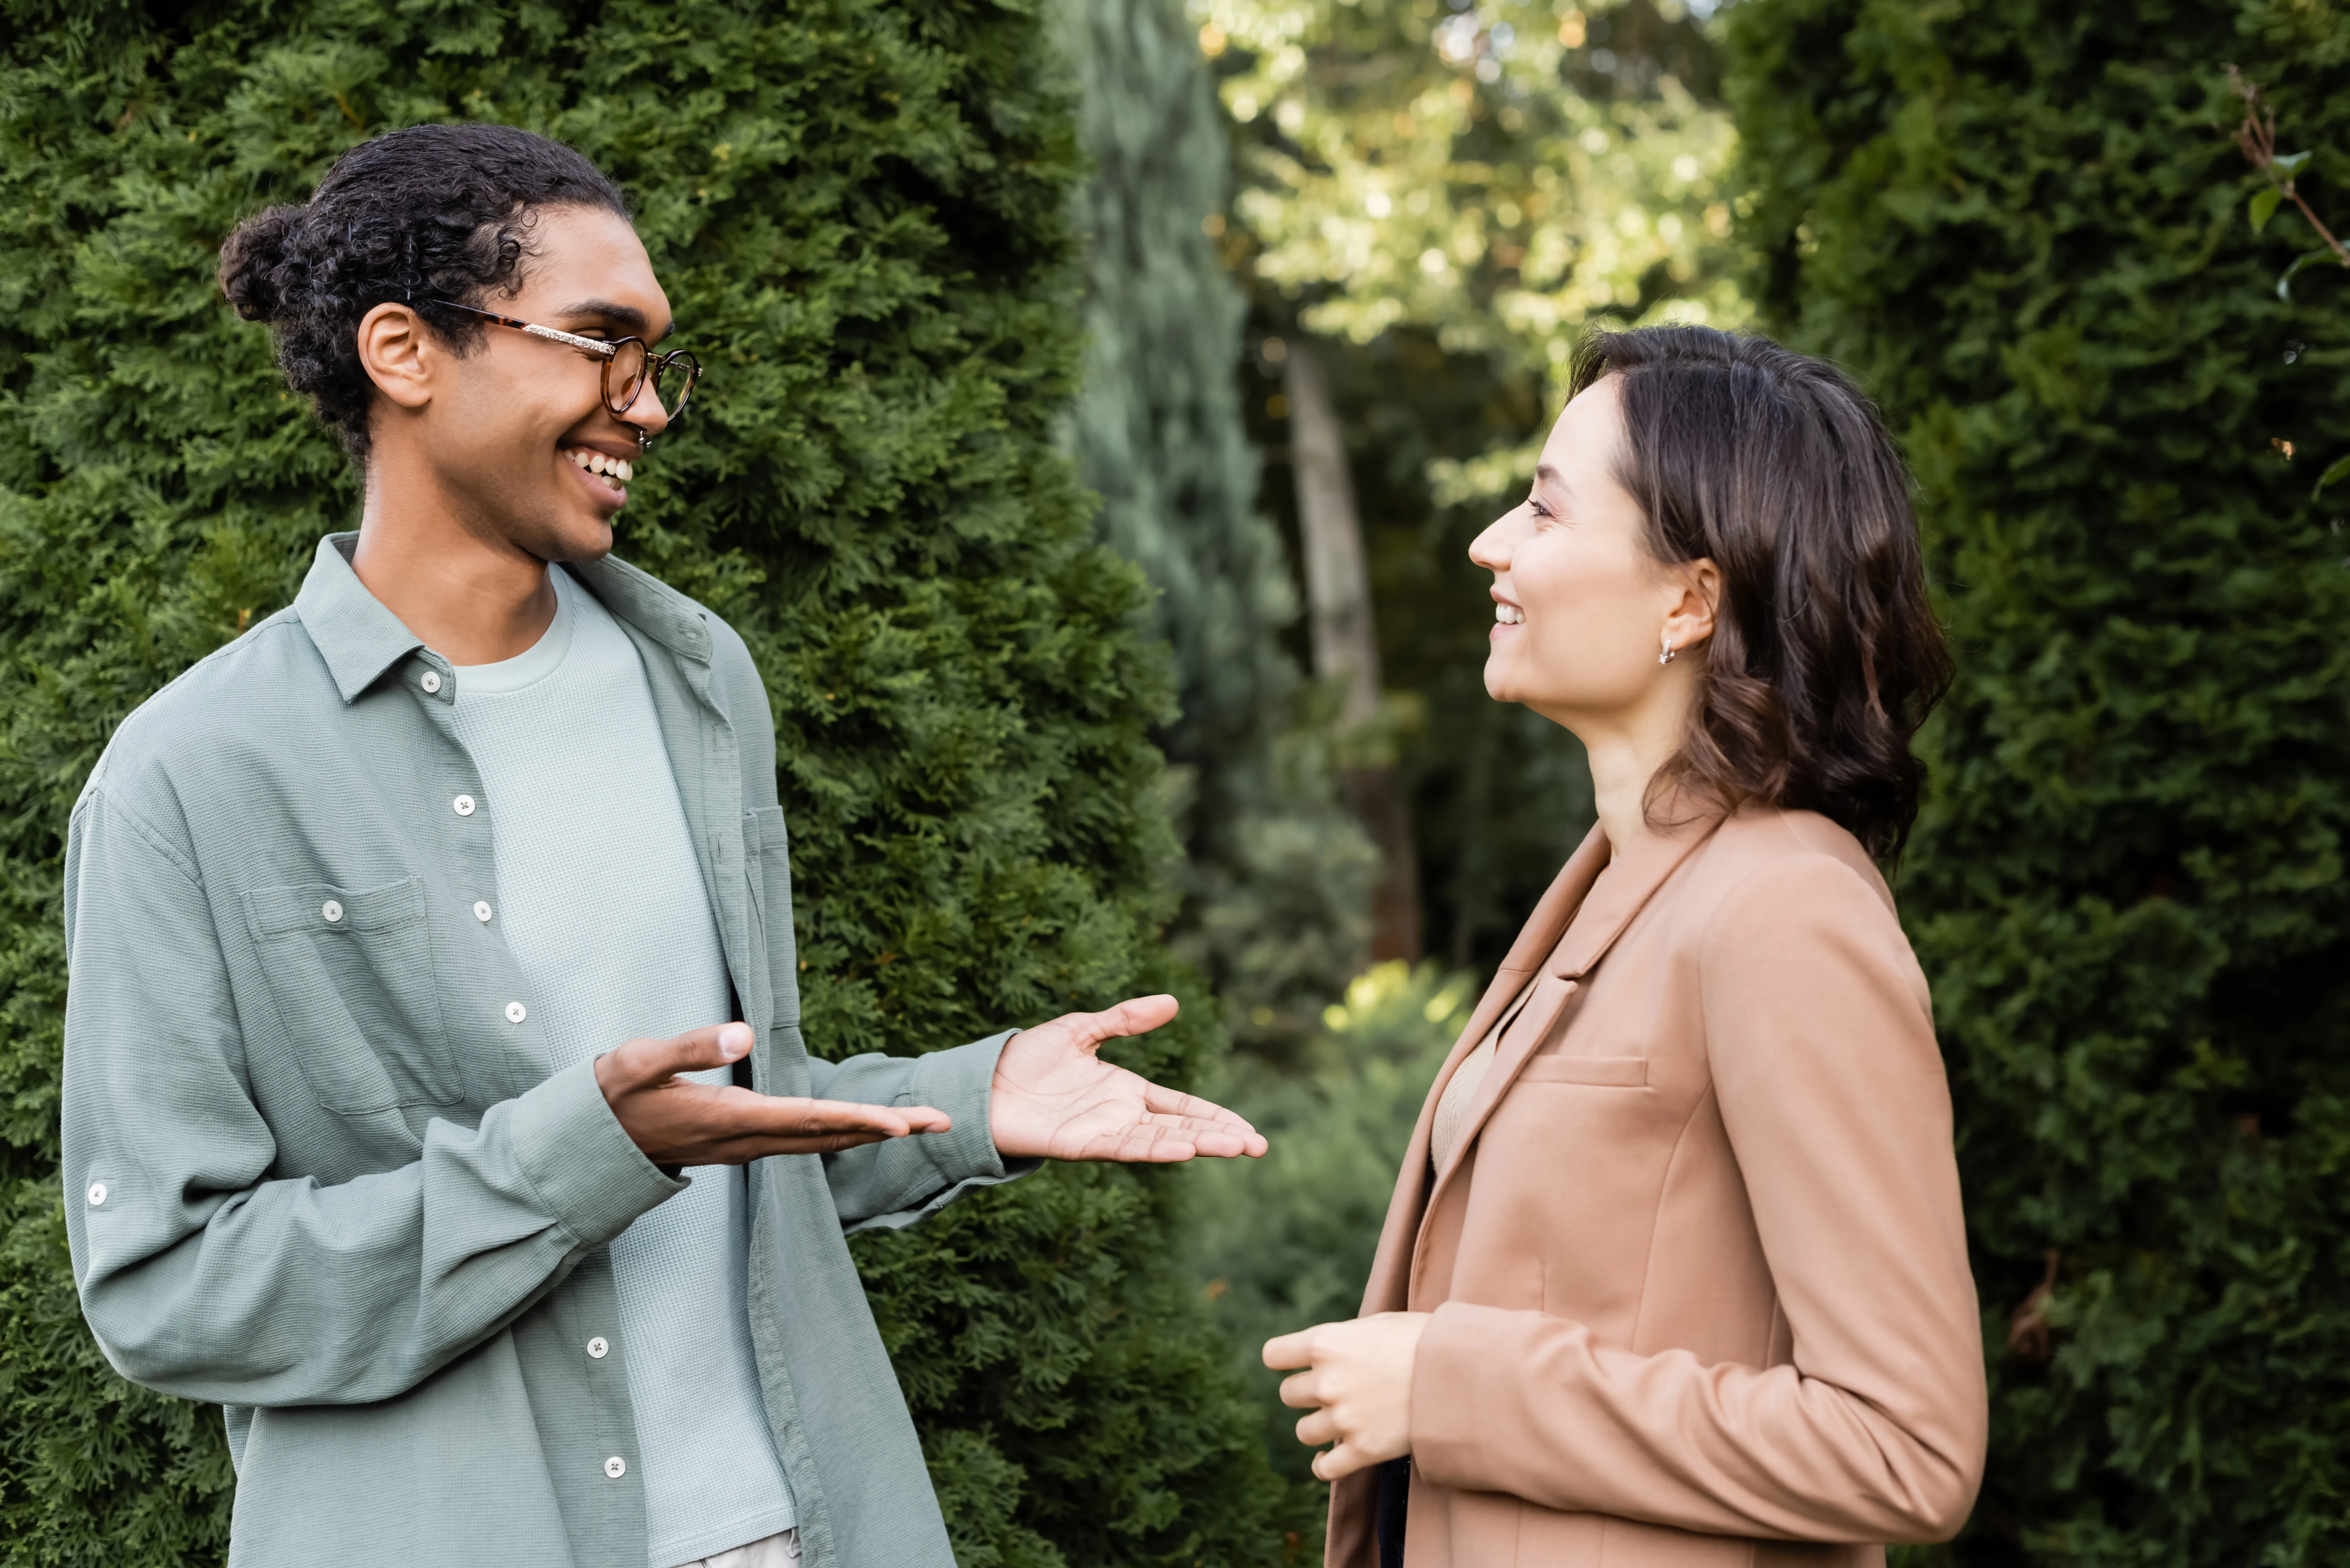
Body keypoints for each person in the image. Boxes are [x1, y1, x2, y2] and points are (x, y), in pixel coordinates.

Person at [59, 123, 1263, 1568]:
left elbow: (721, 1122)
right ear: (404, 350)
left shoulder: (699, 679)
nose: (646, 407)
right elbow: (166, 1289)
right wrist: (568, 1163)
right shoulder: (189, 776)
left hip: (800, 1531)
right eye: (598, 344)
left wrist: (970, 1101)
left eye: (654, 361)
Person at [1263, 326, 1988, 1567]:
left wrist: (1453, 1385)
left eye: (1545, 510)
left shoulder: (1782, 909)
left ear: (1692, 597)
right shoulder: (1616, 881)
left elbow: (1904, 1444)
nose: (1491, 542)